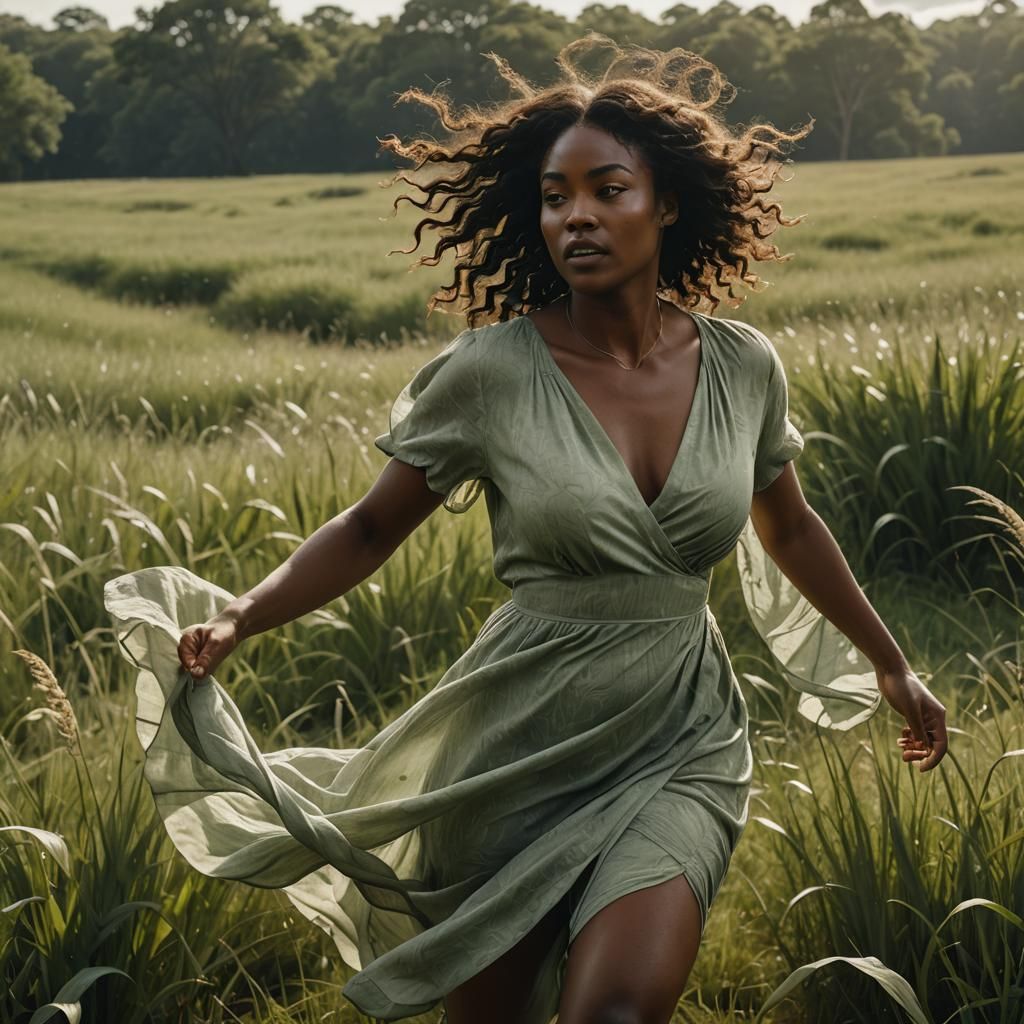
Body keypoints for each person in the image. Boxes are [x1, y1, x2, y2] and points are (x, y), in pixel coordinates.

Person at [104, 34, 948, 1024]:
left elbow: (792, 527)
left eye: (607, 189)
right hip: (515, 736)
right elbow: (372, 526)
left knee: (616, 1012)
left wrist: (890, 665)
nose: (577, 215)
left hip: (681, 733)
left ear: (666, 202)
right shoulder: (491, 372)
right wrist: (243, 614)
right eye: (556, 197)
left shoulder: (742, 366)